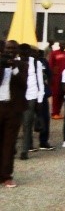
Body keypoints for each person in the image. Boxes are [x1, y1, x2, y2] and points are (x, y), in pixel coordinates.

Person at [1, 44, 25, 187]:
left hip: (13, 109)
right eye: (7, 49)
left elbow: (24, 84)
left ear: (17, 51)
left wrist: (13, 68)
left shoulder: (22, 65)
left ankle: (6, 175)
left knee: (9, 144)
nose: (10, 52)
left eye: (12, 50)